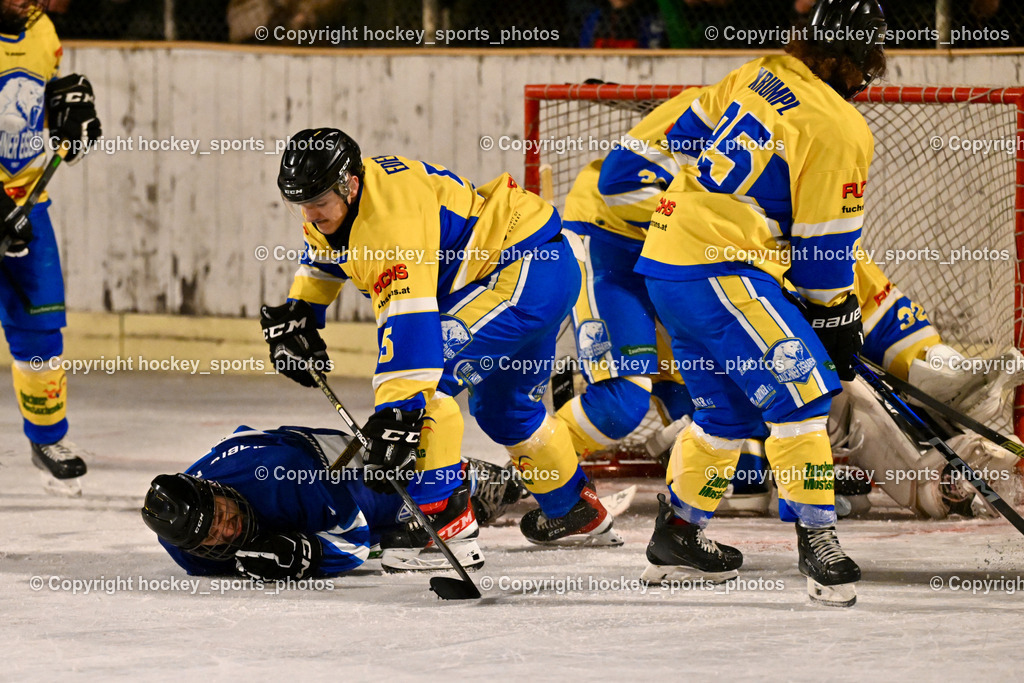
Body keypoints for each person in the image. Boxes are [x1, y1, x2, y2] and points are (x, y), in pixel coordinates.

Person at [557, 76, 1024, 520]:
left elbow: (855, 286)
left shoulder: (800, 183)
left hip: (702, 265)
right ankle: (536, 475)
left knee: (749, 471)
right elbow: (620, 185)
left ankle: (706, 515)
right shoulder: (730, 111)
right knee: (624, 404)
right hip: (612, 245)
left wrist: (928, 362)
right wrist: (734, 241)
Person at [259, 129, 622, 572]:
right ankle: (574, 510)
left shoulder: (391, 223)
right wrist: (301, 310)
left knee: (424, 393)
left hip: (520, 277)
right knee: (506, 409)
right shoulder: (341, 201)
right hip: (537, 269)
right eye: (302, 203)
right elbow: (326, 254)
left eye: (318, 203)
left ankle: (442, 522)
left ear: (349, 184)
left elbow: (411, 328)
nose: (311, 214)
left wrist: (396, 413)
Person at [632, 0, 887, 607]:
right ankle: (819, 543)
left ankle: (679, 535)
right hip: (722, 269)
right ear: (851, 58)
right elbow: (824, 253)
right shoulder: (841, 128)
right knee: (804, 392)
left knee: (725, 413)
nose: (868, 80)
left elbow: (683, 135)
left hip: (669, 260)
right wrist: (837, 319)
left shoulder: (760, 73)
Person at [142, 425, 526, 577]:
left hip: (343, 473)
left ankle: (471, 477)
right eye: (212, 537)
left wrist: (309, 555)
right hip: (296, 469)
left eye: (222, 515)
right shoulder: (183, 545)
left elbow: (356, 545)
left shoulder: (283, 476)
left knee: (408, 509)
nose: (228, 530)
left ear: (216, 490)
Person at [0, 0, 101, 496]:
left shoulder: (41, 29)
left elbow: (43, 95)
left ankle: (47, 440)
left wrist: (69, 111)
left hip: (27, 204)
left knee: (40, 327)